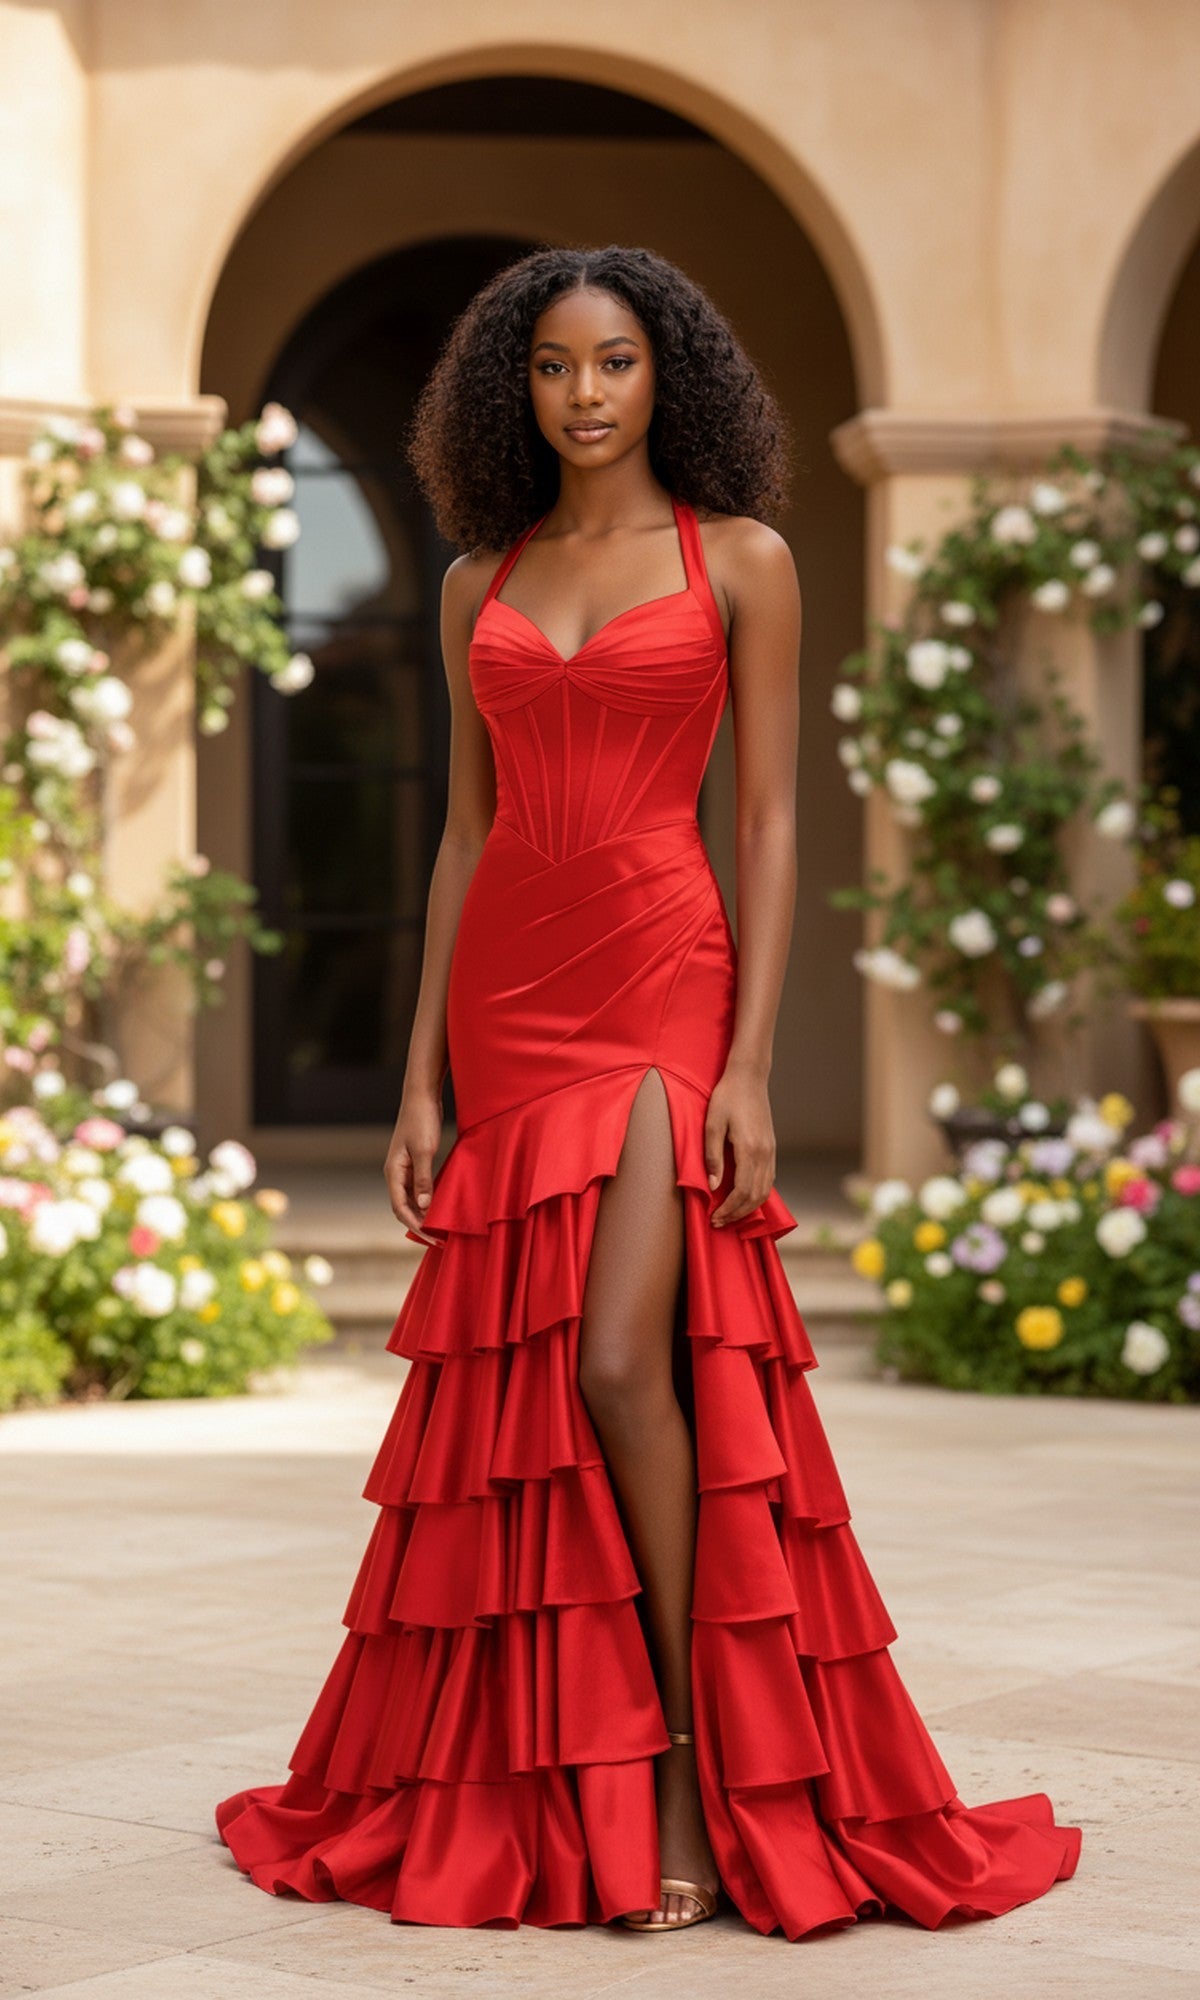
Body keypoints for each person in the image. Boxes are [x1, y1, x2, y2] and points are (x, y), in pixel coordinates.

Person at [215, 244, 1081, 1937]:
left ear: (665, 373)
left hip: (664, 978)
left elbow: (764, 820)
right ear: (514, 387)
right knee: (538, 1385)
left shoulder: (740, 559)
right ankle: (572, 1770)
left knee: (623, 1358)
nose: (585, 392)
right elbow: (458, 832)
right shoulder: (482, 577)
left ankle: (689, 1766)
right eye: (551, 365)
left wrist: (750, 1059)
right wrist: (416, 1078)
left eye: (613, 361)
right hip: (514, 990)